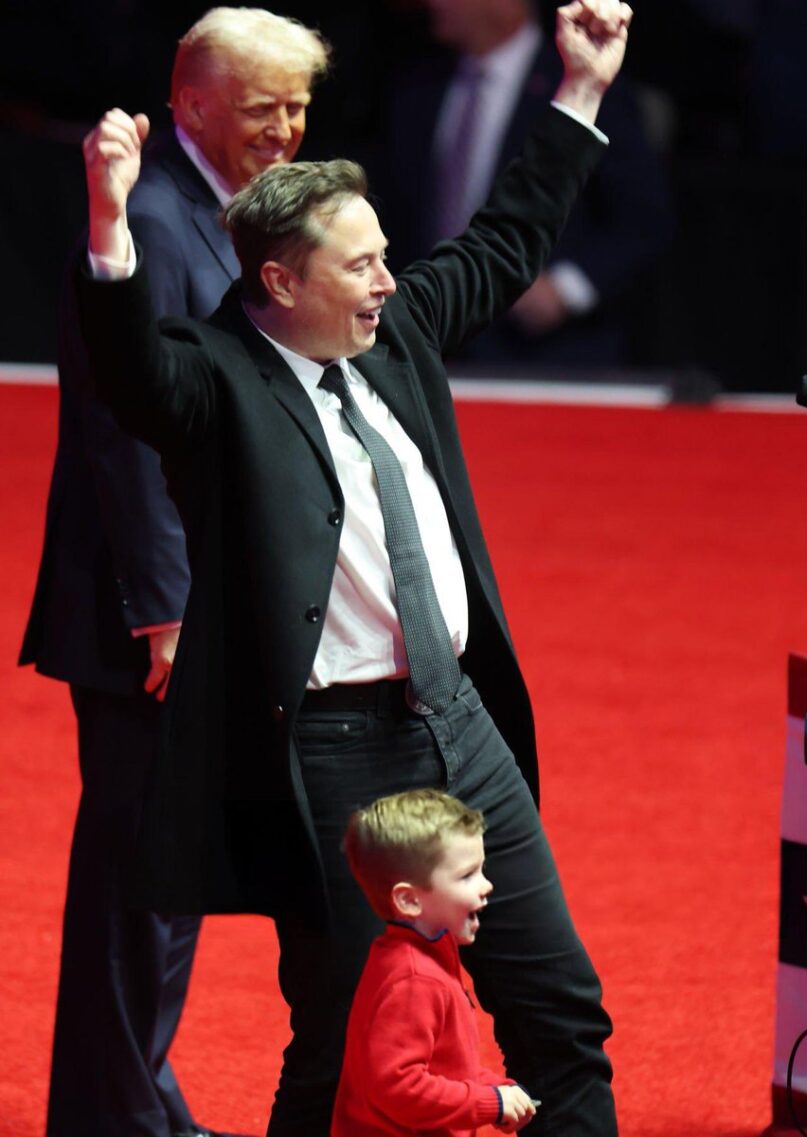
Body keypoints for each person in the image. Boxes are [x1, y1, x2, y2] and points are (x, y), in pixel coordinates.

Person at [75, 3, 631, 1134]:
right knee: (338, 1035)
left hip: (459, 720)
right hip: (333, 753)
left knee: (562, 1012)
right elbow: (130, 374)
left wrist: (579, 90)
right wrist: (108, 221)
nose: (388, 279)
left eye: (385, 256)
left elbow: (504, 240)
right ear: (282, 283)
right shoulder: (213, 375)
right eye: (362, 264)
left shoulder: (397, 333)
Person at [18, 10, 329, 1137]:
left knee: (163, 875)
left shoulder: (226, 209)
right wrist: (166, 609)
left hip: (193, 595)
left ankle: (132, 1103)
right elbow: (124, 427)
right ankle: (120, 1117)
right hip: (148, 610)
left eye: (298, 107)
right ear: (191, 104)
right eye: (263, 109)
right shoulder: (150, 217)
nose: (285, 129)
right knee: (137, 881)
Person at [379, 0, 672, 371]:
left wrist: (566, 289)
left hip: (544, 356)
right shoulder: (417, 88)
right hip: (429, 346)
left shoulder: (587, 82)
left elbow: (644, 217)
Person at [334, 788, 536, 1135]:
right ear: (409, 900)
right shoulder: (416, 979)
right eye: (467, 875)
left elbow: (445, 1069)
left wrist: (495, 1091)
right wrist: (488, 1102)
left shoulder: (418, 956)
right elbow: (398, 1088)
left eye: (482, 870)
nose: (487, 885)